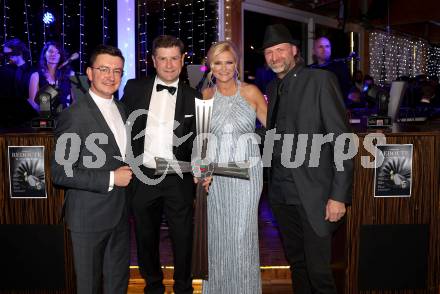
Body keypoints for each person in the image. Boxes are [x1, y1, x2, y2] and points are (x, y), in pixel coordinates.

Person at [262, 24, 354, 294]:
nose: (275, 57)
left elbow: (342, 140)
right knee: (298, 265)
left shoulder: (320, 81)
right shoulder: (271, 86)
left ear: (294, 51)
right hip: (281, 195)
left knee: (319, 273)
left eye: (280, 50)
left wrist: (339, 195)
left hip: (315, 195)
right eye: (269, 52)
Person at [122, 35, 200, 294]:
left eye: (174, 58)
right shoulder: (134, 88)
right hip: (143, 177)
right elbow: (119, 128)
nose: (169, 65)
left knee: (183, 238)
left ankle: (183, 287)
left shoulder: (193, 96)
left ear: (182, 59)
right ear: (153, 61)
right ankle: (153, 286)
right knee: (145, 237)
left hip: (179, 177)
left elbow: (201, 139)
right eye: (163, 59)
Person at [51, 45, 131, 294]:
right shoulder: (74, 115)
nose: (111, 76)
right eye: (104, 69)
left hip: (119, 215)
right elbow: (61, 172)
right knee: (89, 287)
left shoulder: (122, 109)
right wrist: (111, 177)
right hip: (88, 218)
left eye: (117, 71)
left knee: (117, 284)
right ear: (90, 73)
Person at [201, 41, 267, 293]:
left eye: (229, 62)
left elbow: (275, 127)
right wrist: (202, 171)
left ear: (236, 64)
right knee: (219, 238)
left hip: (248, 175)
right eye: (218, 62)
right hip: (216, 179)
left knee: (241, 237)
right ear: (210, 66)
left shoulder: (251, 92)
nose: (224, 68)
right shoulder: (205, 97)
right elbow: (202, 140)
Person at [28, 41, 74, 113]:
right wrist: (44, 108)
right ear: (44, 54)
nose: (53, 54)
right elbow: (32, 104)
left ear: (60, 56)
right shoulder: (36, 76)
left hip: (66, 118)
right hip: (46, 119)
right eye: (50, 51)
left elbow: (75, 101)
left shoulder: (69, 75)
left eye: (57, 52)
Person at [310, 36, 352, 102]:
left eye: (327, 46)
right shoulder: (310, 69)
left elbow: (346, 90)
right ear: (314, 51)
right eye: (321, 47)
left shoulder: (340, 67)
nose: (324, 50)